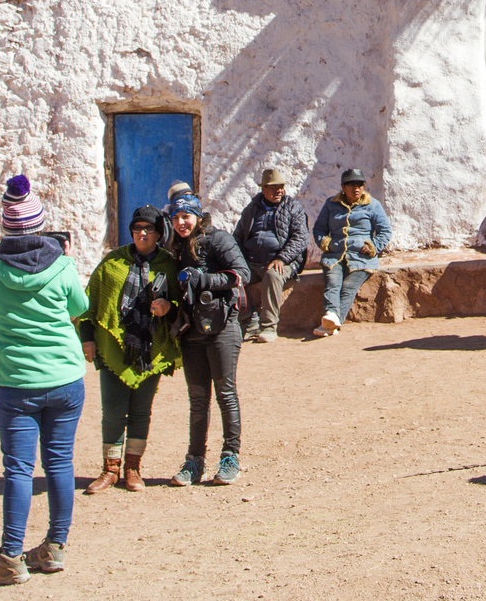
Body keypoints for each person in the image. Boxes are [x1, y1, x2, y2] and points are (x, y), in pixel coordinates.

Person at [0, 175, 89, 585]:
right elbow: (80, 305)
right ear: (39, 226)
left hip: (17, 383)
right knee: (60, 461)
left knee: (19, 469)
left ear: (5, 228)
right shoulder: (62, 266)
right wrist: (66, 259)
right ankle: (55, 546)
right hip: (65, 379)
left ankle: (10, 556)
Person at [79, 206, 177, 494]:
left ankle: (132, 468)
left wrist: (168, 307)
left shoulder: (168, 265)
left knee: (140, 412)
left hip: (151, 349)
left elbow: (183, 306)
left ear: (159, 233)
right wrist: (87, 338)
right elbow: (89, 303)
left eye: (148, 229)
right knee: (112, 410)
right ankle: (110, 469)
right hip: (113, 348)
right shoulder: (112, 263)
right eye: (137, 229)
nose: (142, 234)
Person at [164, 190, 248, 487]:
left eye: (185, 216)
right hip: (192, 331)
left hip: (223, 328)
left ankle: (230, 457)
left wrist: (205, 279)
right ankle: (194, 461)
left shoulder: (217, 238)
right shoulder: (175, 246)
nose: (180, 222)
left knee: (226, 394)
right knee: (198, 400)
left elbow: (242, 275)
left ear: (197, 216)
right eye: (175, 217)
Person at [233, 168, 311, 343]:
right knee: (234, 277)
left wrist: (282, 258)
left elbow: (301, 238)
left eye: (281, 187)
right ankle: (249, 321)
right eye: (273, 187)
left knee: (273, 275)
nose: (278, 191)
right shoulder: (251, 209)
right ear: (263, 189)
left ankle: (268, 326)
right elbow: (237, 236)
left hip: (283, 261)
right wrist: (237, 260)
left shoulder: (293, 208)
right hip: (252, 262)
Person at [313, 168, 391, 336]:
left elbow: (385, 231)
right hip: (335, 254)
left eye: (359, 184)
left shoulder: (373, 205)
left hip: (361, 258)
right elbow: (319, 229)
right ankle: (331, 317)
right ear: (343, 187)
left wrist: (373, 246)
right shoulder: (331, 205)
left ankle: (331, 322)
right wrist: (325, 243)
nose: (356, 188)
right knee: (332, 282)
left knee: (348, 287)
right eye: (351, 184)